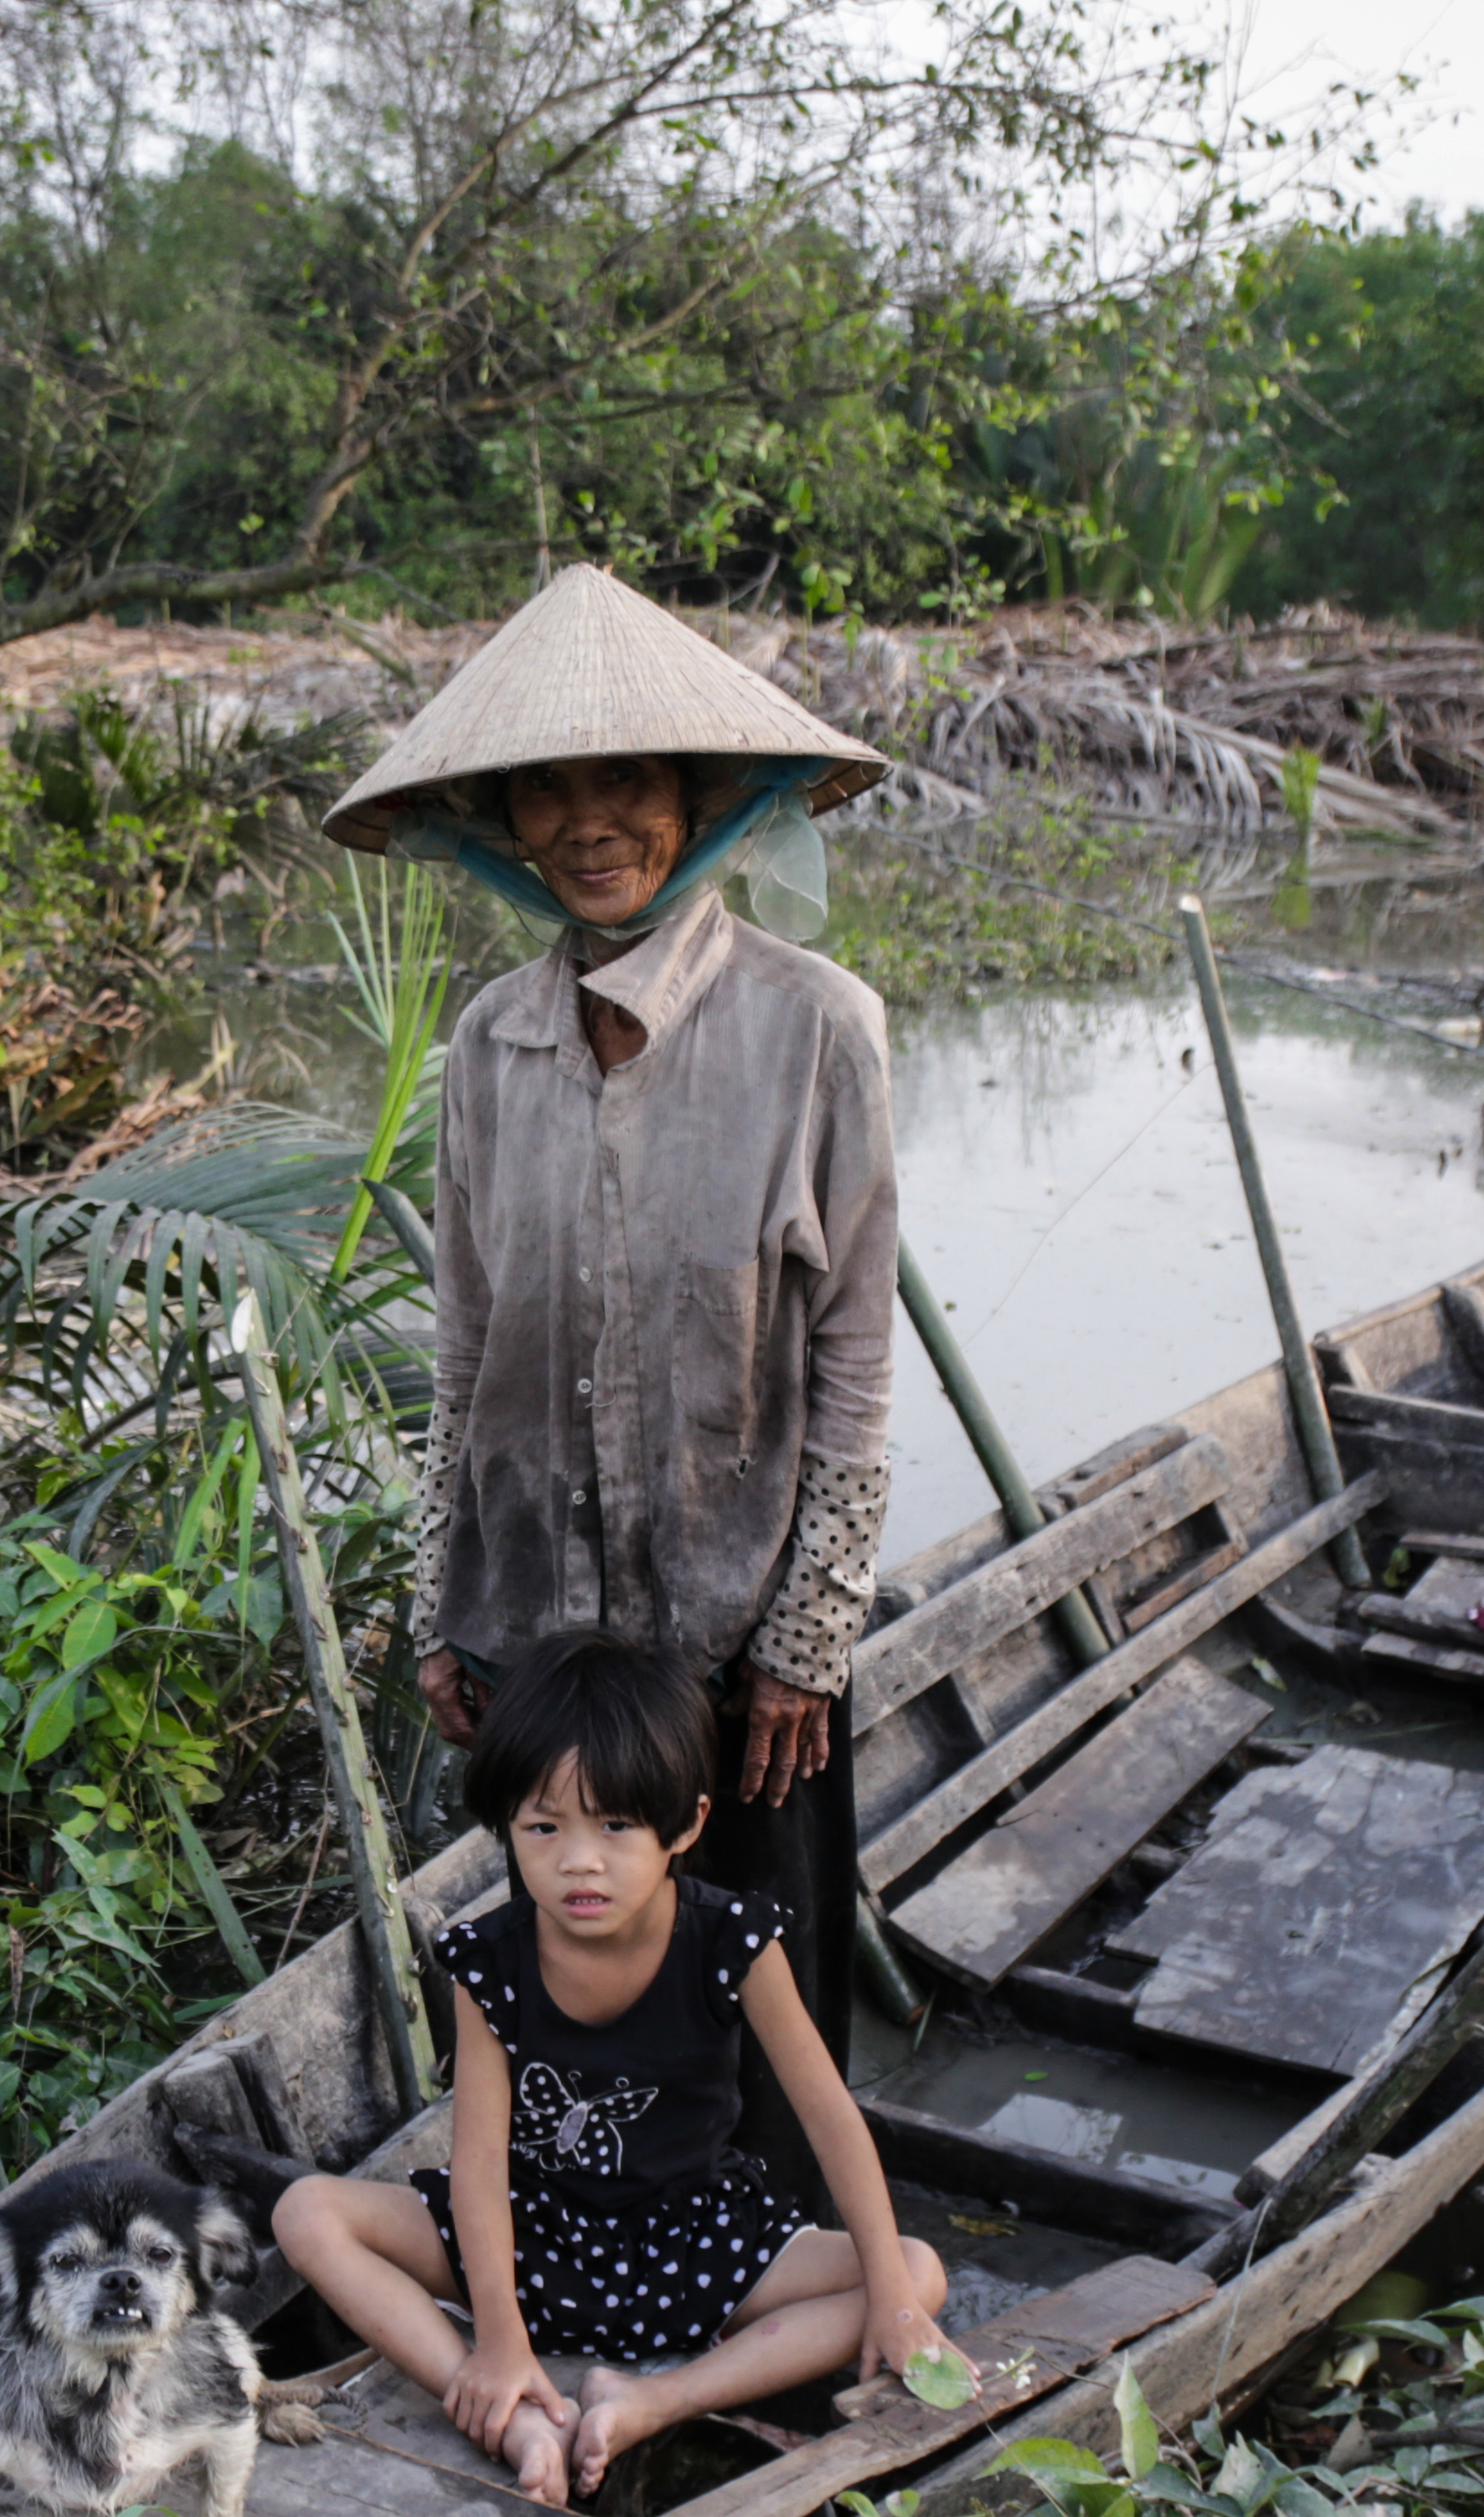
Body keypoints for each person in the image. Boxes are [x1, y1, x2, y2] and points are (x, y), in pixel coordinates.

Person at [317, 565, 901, 2191]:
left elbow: (853, 1357)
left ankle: (786, 2289)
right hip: (540, 1638)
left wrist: (806, 1639)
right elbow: (465, 1348)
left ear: (698, 799)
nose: (589, 824)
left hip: (737, 1646)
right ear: (504, 822)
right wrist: (444, 1602)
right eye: (550, 792)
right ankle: (585, 2277)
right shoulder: (488, 1045)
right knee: (567, 2009)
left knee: (763, 2002)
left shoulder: (817, 1031)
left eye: (626, 783)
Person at [272, 1637, 956, 2506]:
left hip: (696, 2244)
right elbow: (479, 2168)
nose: (579, 1861)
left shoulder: (733, 1941)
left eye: (617, 1826)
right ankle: (510, 2406)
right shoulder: (492, 1962)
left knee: (914, 2268)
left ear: (687, 1825)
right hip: (535, 2243)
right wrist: (500, 2339)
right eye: (543, 1827)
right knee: (308, 2211)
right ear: (507, 1828)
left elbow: (829, 2119)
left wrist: (896, 2305)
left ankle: (648, 2401)